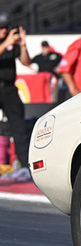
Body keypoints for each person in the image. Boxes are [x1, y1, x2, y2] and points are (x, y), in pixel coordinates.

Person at [0, 13, 32, 180]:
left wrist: (23, 45)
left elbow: (27, 62)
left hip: (9, 88)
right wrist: (6, 43)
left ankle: (25, 165)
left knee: (19, 127)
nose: (4, 31)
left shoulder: (13, 42)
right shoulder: (6, 42)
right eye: (1, 28)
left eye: (6, 28)